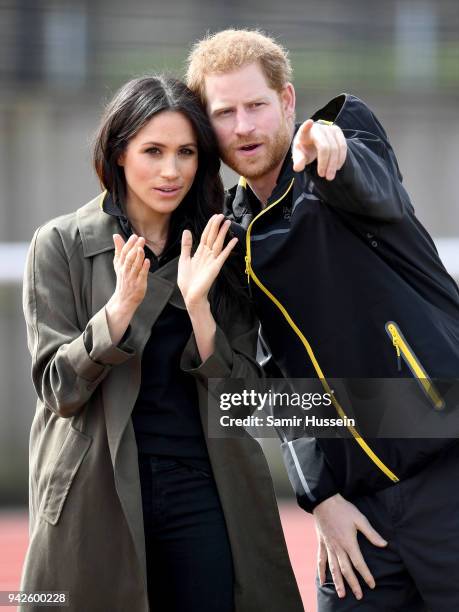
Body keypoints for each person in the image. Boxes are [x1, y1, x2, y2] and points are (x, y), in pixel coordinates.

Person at [186, 29, 459, 611]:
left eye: (257, 105)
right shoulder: (229, 238)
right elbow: (271, 386)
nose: (244, 127)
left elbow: (377, 184)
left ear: (286, 101)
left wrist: (336, 148)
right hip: (357, 514)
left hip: (447, 468)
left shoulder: (340, 148)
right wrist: (322, 500)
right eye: (225, 113)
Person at [20, 75, 304, 612]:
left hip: (205, 484)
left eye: (186, 152)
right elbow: (59, 390)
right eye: (153, 151)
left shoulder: (223, 245)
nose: (171, 171)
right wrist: (119, 311)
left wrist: (199, 310)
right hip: (98, 488)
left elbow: (243, 398)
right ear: (119, 152)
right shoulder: (59, 244)